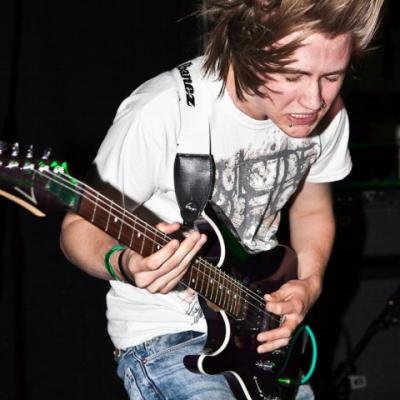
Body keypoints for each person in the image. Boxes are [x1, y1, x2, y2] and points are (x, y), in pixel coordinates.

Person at [60, 1, 383, 399]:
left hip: (261, 338)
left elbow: (313, 209)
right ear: (248, 49)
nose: (314, 100)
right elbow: (78, 225)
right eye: (292, 76)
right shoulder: (163, 111)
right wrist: (124, 263)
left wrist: (309, 285)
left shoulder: (329, 116)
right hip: (167, 339)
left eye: (331, 76)